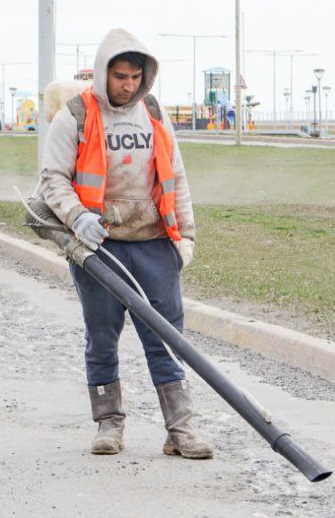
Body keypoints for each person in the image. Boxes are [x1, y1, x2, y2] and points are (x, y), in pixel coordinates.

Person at [39, 28, 210, 460]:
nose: (128, 84)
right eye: (120, 76)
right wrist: (78, 217)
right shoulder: (73, 117)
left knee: (167, 340)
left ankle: (180, 431)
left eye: (135, 76)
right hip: (99, 250)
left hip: (153, 244)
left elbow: (176, 176)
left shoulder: (153, 114)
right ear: (102, 74)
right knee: (102, 337)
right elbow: (53, 179)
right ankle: (109, 424)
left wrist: (184, 239)